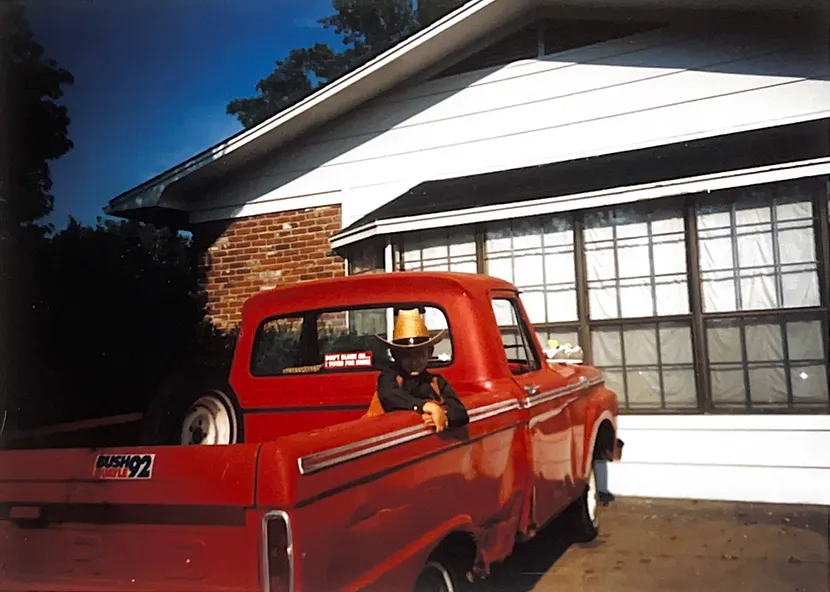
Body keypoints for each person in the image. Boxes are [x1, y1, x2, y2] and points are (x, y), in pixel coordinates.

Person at [371, 308, 469, 432]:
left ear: (430, 353)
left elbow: (460, 413)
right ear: (396, 355)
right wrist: (425, 406)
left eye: (419, 354)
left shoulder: (435, 382)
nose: (413, 361)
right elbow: (390, 396)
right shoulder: (389, 377)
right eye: (406, 355)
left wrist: (444, 417)